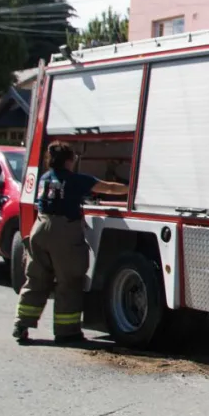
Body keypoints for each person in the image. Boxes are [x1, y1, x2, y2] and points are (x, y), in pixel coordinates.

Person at [13, 141, 128, 344]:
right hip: (63, 232)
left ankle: (21, 324)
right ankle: (67, 332)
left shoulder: (45, 178)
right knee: (69, 281)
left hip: (40, 228)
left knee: (36, 279)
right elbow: (108, 188)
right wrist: (133, 189)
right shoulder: (75, 180)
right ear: (69, 160)